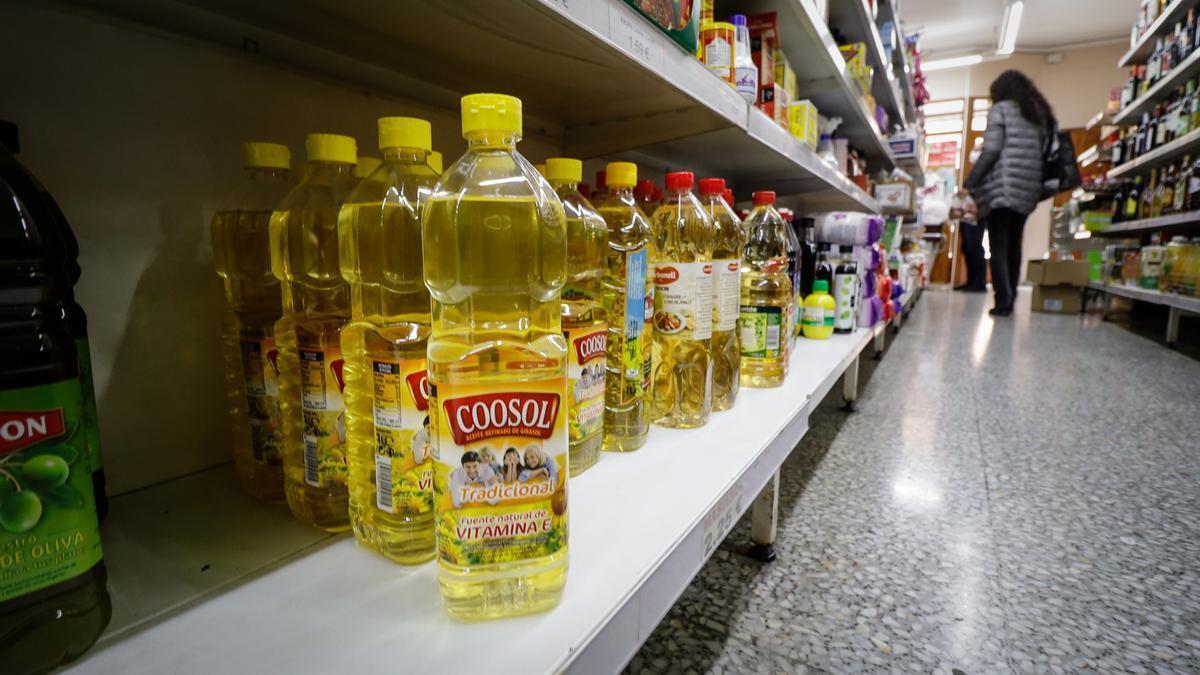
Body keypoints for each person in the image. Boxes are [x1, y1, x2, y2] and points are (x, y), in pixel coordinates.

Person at [965, 69, 1054, 316]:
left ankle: (1003, 299)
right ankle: (1011, 297)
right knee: (1014, 242)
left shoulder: (1001, 109)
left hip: (1002, 186)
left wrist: (971, 181)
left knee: (998, 241)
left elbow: (991, 150)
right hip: (1029, 188)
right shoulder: (1038, 114)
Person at [950, 190, 986, 293]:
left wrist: (970, 191)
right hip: (966, 211)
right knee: (967, 246)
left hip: (977, 209)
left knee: (974, 245)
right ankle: (971, 281)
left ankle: (979, 283)